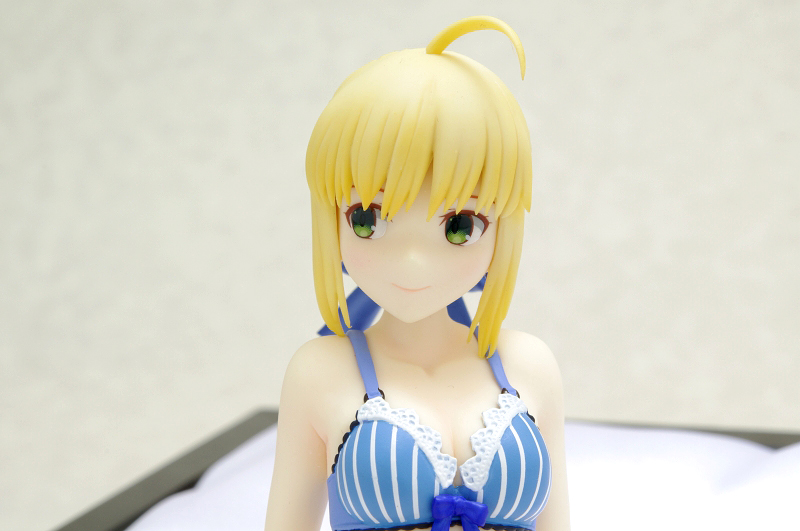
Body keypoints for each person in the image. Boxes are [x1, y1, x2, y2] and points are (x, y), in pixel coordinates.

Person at [265, 16, 570, 531]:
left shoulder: (530, 365)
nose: (412, 261)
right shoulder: (319, 372)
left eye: (459, 226)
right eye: (367, 219)